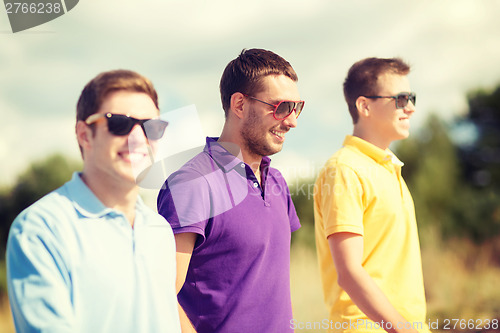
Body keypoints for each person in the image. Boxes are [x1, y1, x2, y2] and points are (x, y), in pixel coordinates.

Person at [6, 70, 181, 333]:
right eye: (119, 124)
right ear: (84, 135)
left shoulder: (160, 230)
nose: (137, 138)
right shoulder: (40, 229)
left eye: (151, 127)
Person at [157, 48, 304, 333]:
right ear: (239, 105)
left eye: (297, 108)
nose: (292, 121)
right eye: (282, 107)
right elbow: (160, 295)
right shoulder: (192, 184)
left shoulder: (277, 183)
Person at [314, 58, 431, 333]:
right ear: (364, 106)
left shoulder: (389, 167)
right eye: (401, 99)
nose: (411, 108)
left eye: (411, 98)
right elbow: (350, 272)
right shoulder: (343, 170)